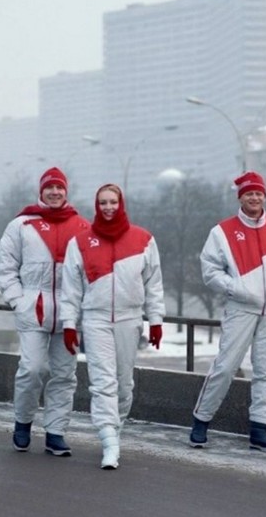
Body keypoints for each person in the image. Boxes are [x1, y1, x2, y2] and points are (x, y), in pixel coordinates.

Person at [189, 171, 266, 453]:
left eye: (258, 193)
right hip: (240, 308)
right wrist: (234, 288)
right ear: (240, 197)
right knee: (226, 367)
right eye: (249, 194)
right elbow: (210, 269)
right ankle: (201, 421)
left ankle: (259, 429)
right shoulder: (222, 232)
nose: (254, 198)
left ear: (265, 196)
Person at [60, 183, 165, 470]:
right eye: (103, 202)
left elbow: (153, 284)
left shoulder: (143, 239)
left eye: (113, 202)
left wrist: (155, 320)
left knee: (123, 384)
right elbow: (70, 288)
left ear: (121, 204)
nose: (108, 207)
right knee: (103, 383)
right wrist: (70, 324)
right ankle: (109, 441)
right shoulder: (80, 242)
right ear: (97, 206)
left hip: (130, 319)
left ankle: (114, 429)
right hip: (95, 320)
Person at [0, 167, 90, 456]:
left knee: (64, 374)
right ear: (41, 191)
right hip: (33, 310)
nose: (55, 192)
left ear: (66, 191)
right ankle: (23, 422)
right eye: (50, 188)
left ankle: (56, 432)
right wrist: (17, 300)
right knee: (32, 369)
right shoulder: (21, 225)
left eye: (60, 188)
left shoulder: (83, 227)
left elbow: (91, 272)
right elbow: (4, 265)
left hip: (70, 314)